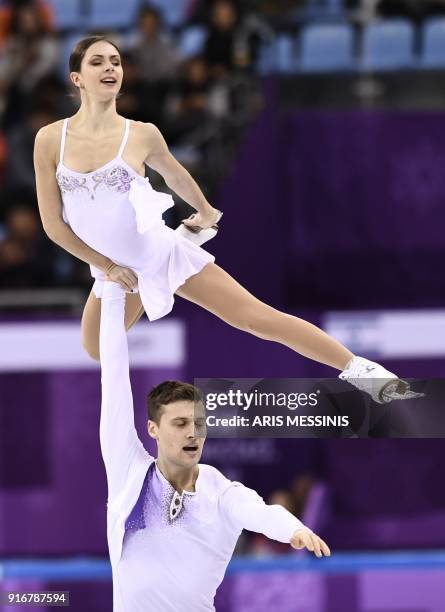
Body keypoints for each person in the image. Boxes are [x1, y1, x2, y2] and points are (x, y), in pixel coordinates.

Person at [33, 35, 418, 404]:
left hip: (158, 254)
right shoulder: (50, 139)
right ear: (77, 78)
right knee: (94, 348)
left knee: (257, 319)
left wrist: (204, 210)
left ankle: (364, 372)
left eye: (115, 61)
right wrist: (108, 267)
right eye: (97, 62)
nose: (110, 68)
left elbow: (175, 174)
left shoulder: (142, 134)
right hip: (113, 269)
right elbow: (53, 224)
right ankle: (162, 258)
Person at [99, 280, 331, 610]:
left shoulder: (221, 493)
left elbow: (262, 513)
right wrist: (109, 287)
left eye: (198, 424)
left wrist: (293, 529)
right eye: (180, 424)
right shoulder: (128, 472)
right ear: (153, 429)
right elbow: (113, 374)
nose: (193, 433)